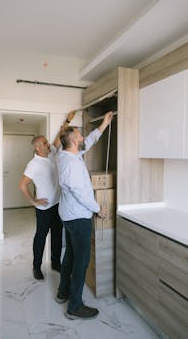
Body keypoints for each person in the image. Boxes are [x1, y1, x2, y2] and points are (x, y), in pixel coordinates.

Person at [55, 111, 114, 320]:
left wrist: (104, 124)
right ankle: (75, 306)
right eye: (80, 136)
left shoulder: (66, 154)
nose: (83, 137)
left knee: (70, 256)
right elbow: (81, 194)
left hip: (69, 216)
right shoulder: (70, 164)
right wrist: (99, 209)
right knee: (80, 261)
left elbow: (88, 143)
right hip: (78, 218)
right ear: (72, 141)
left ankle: (63, 292)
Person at [19, 110, 76, 280]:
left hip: (58, 204)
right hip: (44, 208)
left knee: (57, 236)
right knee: (41, 237)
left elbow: (59, 137)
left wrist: (67, 121)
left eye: (46, 142)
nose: (48, 144)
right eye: (44, 143)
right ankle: (36, 267)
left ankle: (55, 263)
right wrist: (33, 201)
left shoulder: (51, 153)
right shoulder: (33, 165)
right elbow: (22, 185)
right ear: (37, 147)